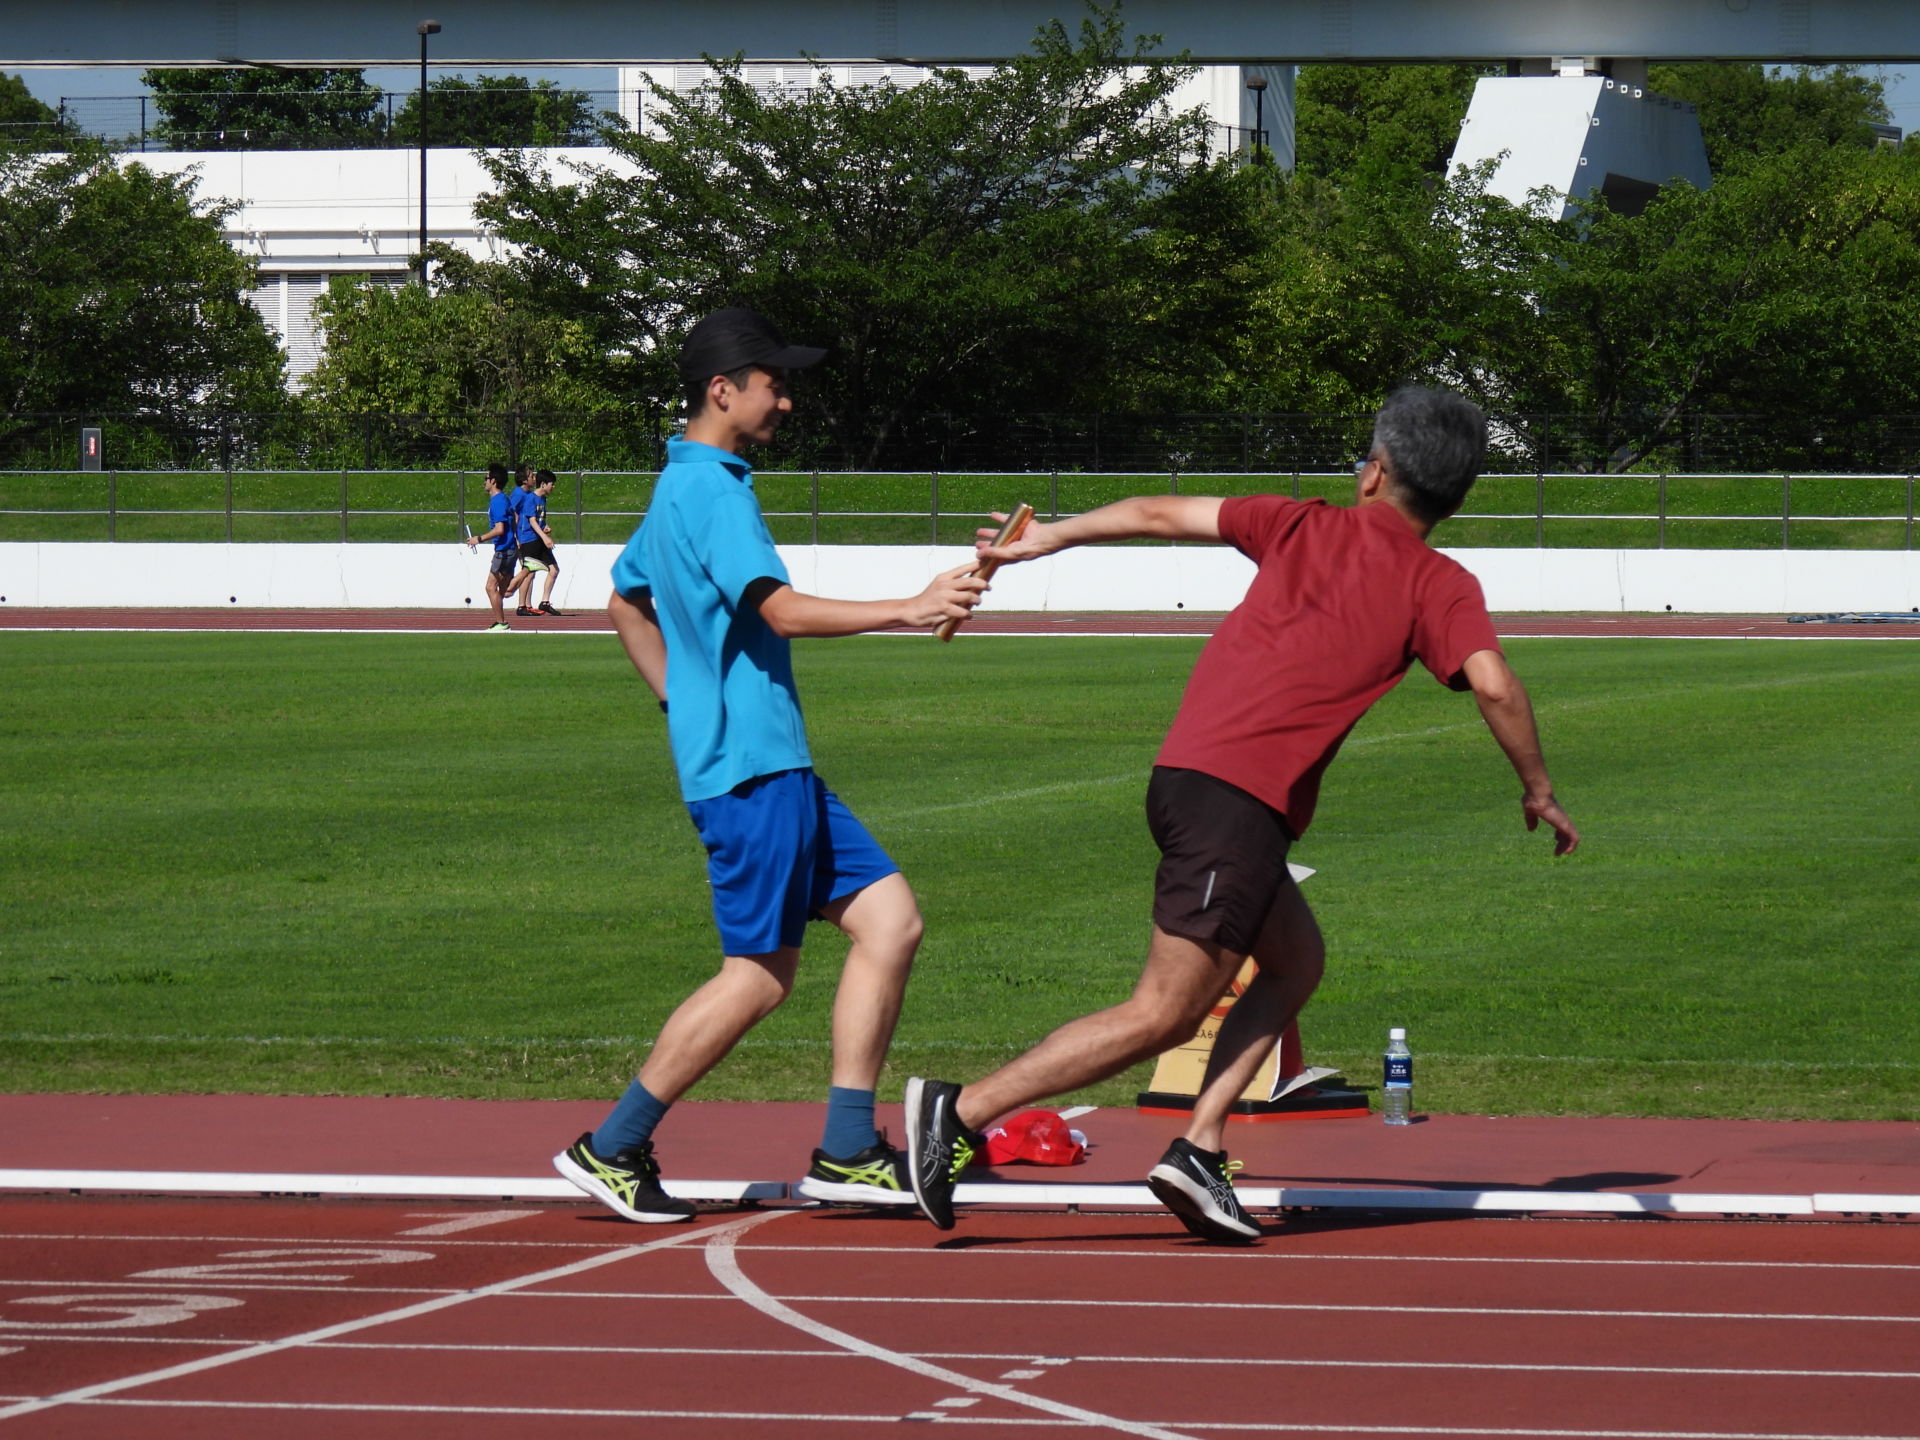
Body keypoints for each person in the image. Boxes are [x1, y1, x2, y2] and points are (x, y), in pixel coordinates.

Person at [904, 386, 1581, 1243]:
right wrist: (1538, 788)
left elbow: (1156, 512)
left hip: (1207, 783)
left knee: (1296, 962)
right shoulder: (1440, 582)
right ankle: (962, 1112)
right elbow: (1493, 683)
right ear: (1454, 499)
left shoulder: (1296, 523)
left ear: (1374, 473)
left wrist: (1052, 536)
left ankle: (1199, 1147)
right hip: (1236, 800)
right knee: (1165, 1013)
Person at [553, 306, 987, 1223]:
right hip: (751, 774)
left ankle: (847, 1149)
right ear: (723, 389)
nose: (785, 401)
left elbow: (625, 599)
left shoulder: (679, 482)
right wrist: (909, 607)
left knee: (891, 923)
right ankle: (614, 1145)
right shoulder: (713, 492)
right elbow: (780, 611)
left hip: (768, 764)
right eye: (773, 384)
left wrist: (680, 700)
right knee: (757, 976)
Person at [463, 463, 518, 631]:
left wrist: (478, 539)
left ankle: (502, 623)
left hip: (504, 550)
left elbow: (499, 529)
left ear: (493, 481)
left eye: (486, 478)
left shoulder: (497, 501)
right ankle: (501, 621)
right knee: (503, 590)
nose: (484, 482)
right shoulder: (504, 499)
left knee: (490, 587)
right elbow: (515, 518)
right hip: (509, 549)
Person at [514, 469, 564, 615]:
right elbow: (532, 520)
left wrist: (545, 527)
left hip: (539, 538)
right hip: (529, 539)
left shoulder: (543, 499)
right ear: (543, 484)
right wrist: (545, 537)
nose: (553, 487)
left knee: (554, 570)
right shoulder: (531, 498)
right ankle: (521, 606)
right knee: (529, 572)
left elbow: (539, 520)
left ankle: (544, 602)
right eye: (551, 484)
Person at [508, 466, 543, 617]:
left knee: (531, 571)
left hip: (529, 536)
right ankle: (521, 603)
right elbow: (511, 515)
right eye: (531, 476)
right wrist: (515, 537)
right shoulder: (518, 494)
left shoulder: (529, 494)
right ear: (524, 480)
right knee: (527, 570)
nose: (534, 478)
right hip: (522, 538)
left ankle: (527, 605)